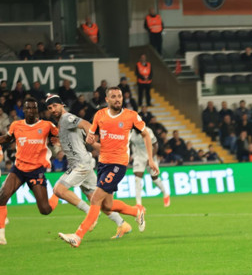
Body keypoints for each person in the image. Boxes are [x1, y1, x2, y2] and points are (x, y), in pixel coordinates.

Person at [58, 87, 157, 248]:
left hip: (118, 164)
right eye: (113, 96)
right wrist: (91, 140)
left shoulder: (131, 116)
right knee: (107, 205)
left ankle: (77, 236)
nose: (117, 99)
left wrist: (150, 159)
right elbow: (93, 139)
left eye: (119, 96)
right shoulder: (100, 115)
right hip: (103, 163)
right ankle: (136, 211)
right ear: (107, 99)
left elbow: (146, 135)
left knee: (96, 199)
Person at [44, 94, 132, 239]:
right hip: (83, 163)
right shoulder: (63, 123)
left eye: (55, 106)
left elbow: (86, 124)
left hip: (80, 165)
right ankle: (122, 224)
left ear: (62, 105)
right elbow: (77, 138)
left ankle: (89, 213)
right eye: (49, 108)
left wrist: (91, 136)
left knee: (58, 189)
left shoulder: (67, 118)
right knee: (99, 202)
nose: (53, 109)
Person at [0, 98, 59, 244]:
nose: (31, 110)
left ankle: (58, 193)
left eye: (34, 108)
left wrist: (57, 141)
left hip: (36, 171)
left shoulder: (46, 125)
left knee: (45, 210)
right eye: (28, 108)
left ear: (37, 110)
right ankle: (1, 234)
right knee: (2, 196)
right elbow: (7, 138)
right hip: (18, 169)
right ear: (24, 110)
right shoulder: (16, 125)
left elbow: (60, 135)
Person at [130, 125, 170, 207]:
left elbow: (155, 145)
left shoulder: (148, 131)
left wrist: (151, 158)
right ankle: (139, 204)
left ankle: (165, 193)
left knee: (154, 178)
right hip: (139, 157)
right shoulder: (131, 133)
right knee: (137, 179)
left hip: (150, 155)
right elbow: (130, 144)